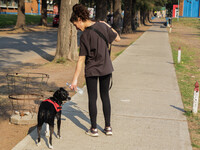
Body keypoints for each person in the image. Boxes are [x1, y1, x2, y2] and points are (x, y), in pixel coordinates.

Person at [70, 4, 120, 137]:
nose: (77, 28)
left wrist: (74, 80)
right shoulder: (102, 26)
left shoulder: (85, 35)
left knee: (93, 98)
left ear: (80, 19)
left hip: (92, 70)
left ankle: (94, 129)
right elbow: (118, 38)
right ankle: (108, 127)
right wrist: (107, 25)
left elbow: (81, 60)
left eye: (76, 25)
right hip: (106, 68)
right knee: (105, 97)